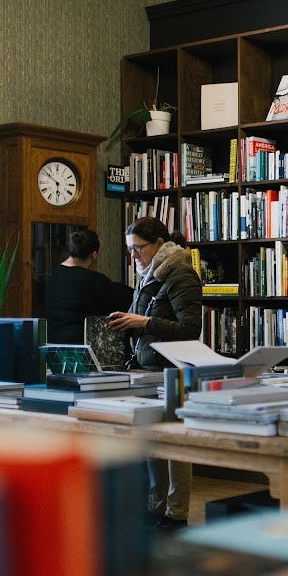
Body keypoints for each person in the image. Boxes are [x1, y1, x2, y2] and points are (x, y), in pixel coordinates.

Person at [108, 217, 202, 532]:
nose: (133, 256)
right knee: (151, 443)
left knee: (175, 445)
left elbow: (191, 329)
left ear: (159, 244)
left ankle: (176, 514)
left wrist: (143, 323)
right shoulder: (149, 273)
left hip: (173, 372)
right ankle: (155, 508)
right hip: (147, 370)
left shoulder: (180, 272)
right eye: (130, 250)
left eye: (138, 248)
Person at [45, 228, 133, 343]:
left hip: (54, 346)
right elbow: (127, 299)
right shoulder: (93, 280)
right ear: (94, 254)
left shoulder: (54, 276)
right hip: (83, 349)